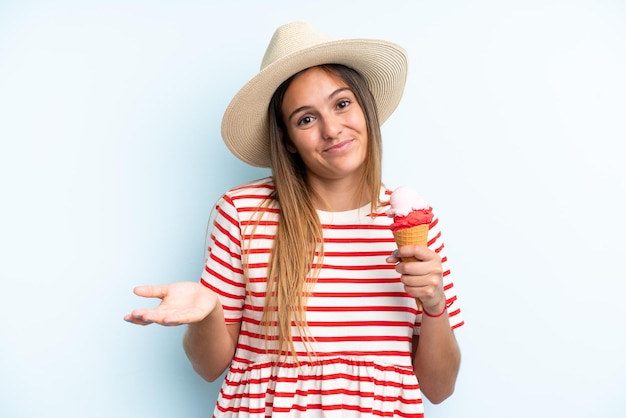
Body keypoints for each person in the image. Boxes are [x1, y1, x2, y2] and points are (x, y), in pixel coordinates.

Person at [125, 21, 464, 417]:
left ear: (365, 105)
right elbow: (208, 366)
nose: (332, 129)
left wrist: (434, 304)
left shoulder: (412, 223)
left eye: (341, 104)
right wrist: (208, 313)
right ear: (286, 138)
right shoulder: (243, 213)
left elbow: (439, 389)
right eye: (306, 119)